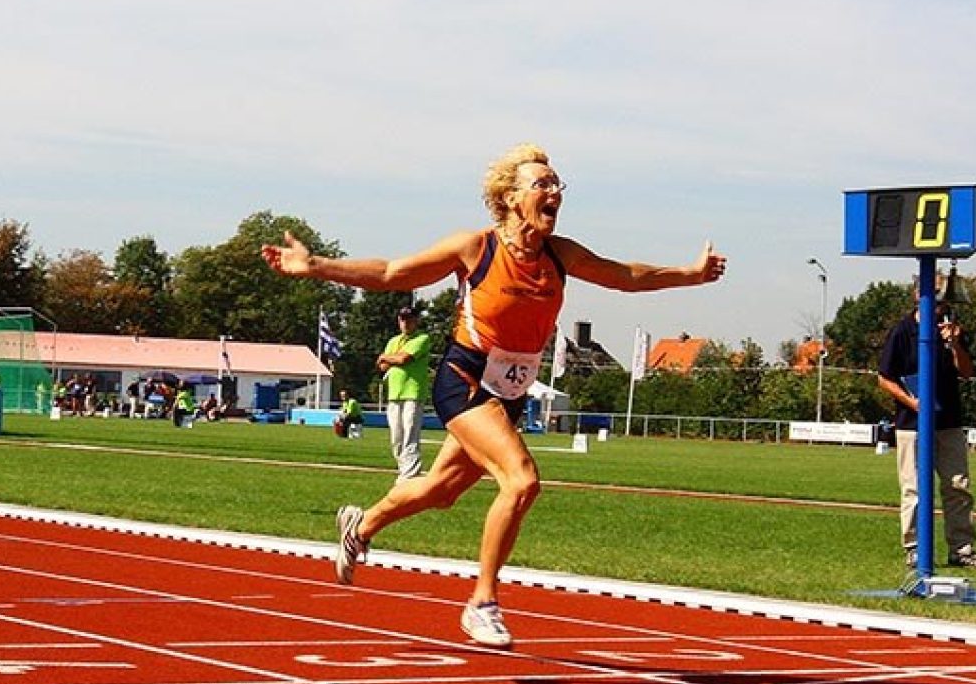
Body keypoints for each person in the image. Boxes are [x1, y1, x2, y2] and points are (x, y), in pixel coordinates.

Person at [262, 143, 726, 647]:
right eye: (542, 184)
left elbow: (625, 276)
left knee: (441, 492)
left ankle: (360, 524)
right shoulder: (476, 248)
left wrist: (691, 274)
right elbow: (395, 273)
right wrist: (317, 266)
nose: (554, 193)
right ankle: (482, 600)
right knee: (522, 480)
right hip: (464, 379)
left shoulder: (560, 255)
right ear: (509, 198)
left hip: (509, 391)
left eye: (558, 185)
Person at [876, 298, 976, 571]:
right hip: (912, 423)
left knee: (958, 486)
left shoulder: (950, 330)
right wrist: (913, 403)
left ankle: (962, 549)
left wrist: (954, 345)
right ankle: (914, 550)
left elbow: (966, 372)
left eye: (945, 308)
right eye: (938, 306)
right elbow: (884, 377)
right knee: (914, 489)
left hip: (949, 423)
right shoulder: (902, 331)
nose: (942, 313)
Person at [377, 305, 433, 483]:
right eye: (403, 319)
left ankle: (410, 473)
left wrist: (388, 357)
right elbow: (382, 366)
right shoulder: (394, 341)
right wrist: (389, 359)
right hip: (394, 393)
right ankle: (403, 469)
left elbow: (403, 359)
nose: (406, 323)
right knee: (396, 436)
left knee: (410, 432)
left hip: (412, 392)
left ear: (416, 321)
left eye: (409, 319)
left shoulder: (422, 339)